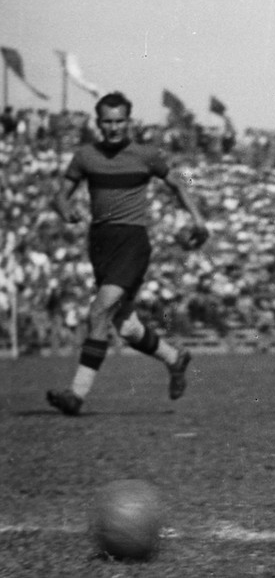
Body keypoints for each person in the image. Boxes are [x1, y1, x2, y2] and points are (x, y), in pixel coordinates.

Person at [46, 91, 208, 416]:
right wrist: (65, 210)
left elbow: (177, 183)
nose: (114, 128)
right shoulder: (85, 156)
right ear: (98, 123)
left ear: (129, 122)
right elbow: (60, 196)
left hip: (132, 242)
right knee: (125, 325)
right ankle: (175, 358)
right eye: (107, 122)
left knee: (99, 311)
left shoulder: (146, 155)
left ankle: (76, 394)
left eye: (120, 121)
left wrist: (198, 219)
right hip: (100, 243)